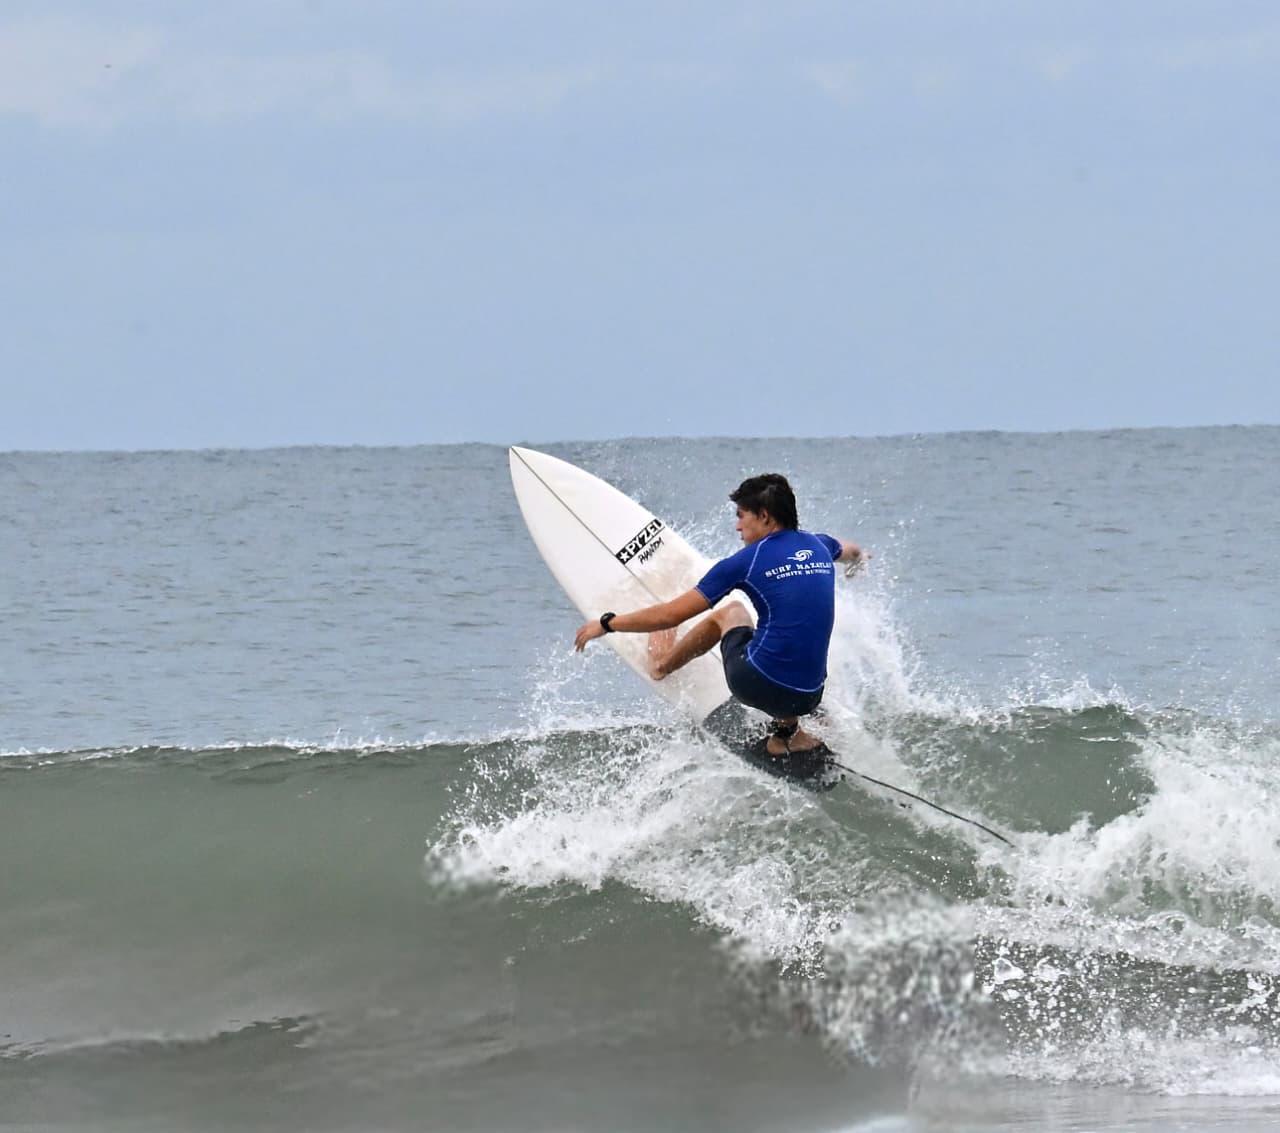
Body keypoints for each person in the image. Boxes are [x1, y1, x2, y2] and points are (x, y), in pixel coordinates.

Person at [574, 473, 867, 756]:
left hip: (756, 684)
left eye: (741, 516)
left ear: (764, 516)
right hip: (810, 696)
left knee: (732, 612)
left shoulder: (745, 561)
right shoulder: (820, 545)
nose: (737, 526)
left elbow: (670, 616)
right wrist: (859, 559)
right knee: (784, 633)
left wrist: (607, 623)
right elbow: (850, 550)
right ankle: (787, 733)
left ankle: (661, 665)